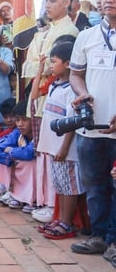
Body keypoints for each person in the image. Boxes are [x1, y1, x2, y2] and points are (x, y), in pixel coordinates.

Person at [68, 0, 116, 269]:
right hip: (92, 127)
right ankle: (100, 236)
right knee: (96, 185)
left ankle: (114, 240)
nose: (110, 0)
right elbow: (75, 73)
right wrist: (83, 93)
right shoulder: (86, 36)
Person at [35, 41, 88, 239]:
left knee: (70, 187)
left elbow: (71, 123)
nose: (50, 65)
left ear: (67, 64)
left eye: (54, 61)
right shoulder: (54, 86)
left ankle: (67, 223)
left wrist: (64, 147)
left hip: (66, 148)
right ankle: (62, 219)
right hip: (53, 145)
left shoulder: (71, 90)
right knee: (60, 185)